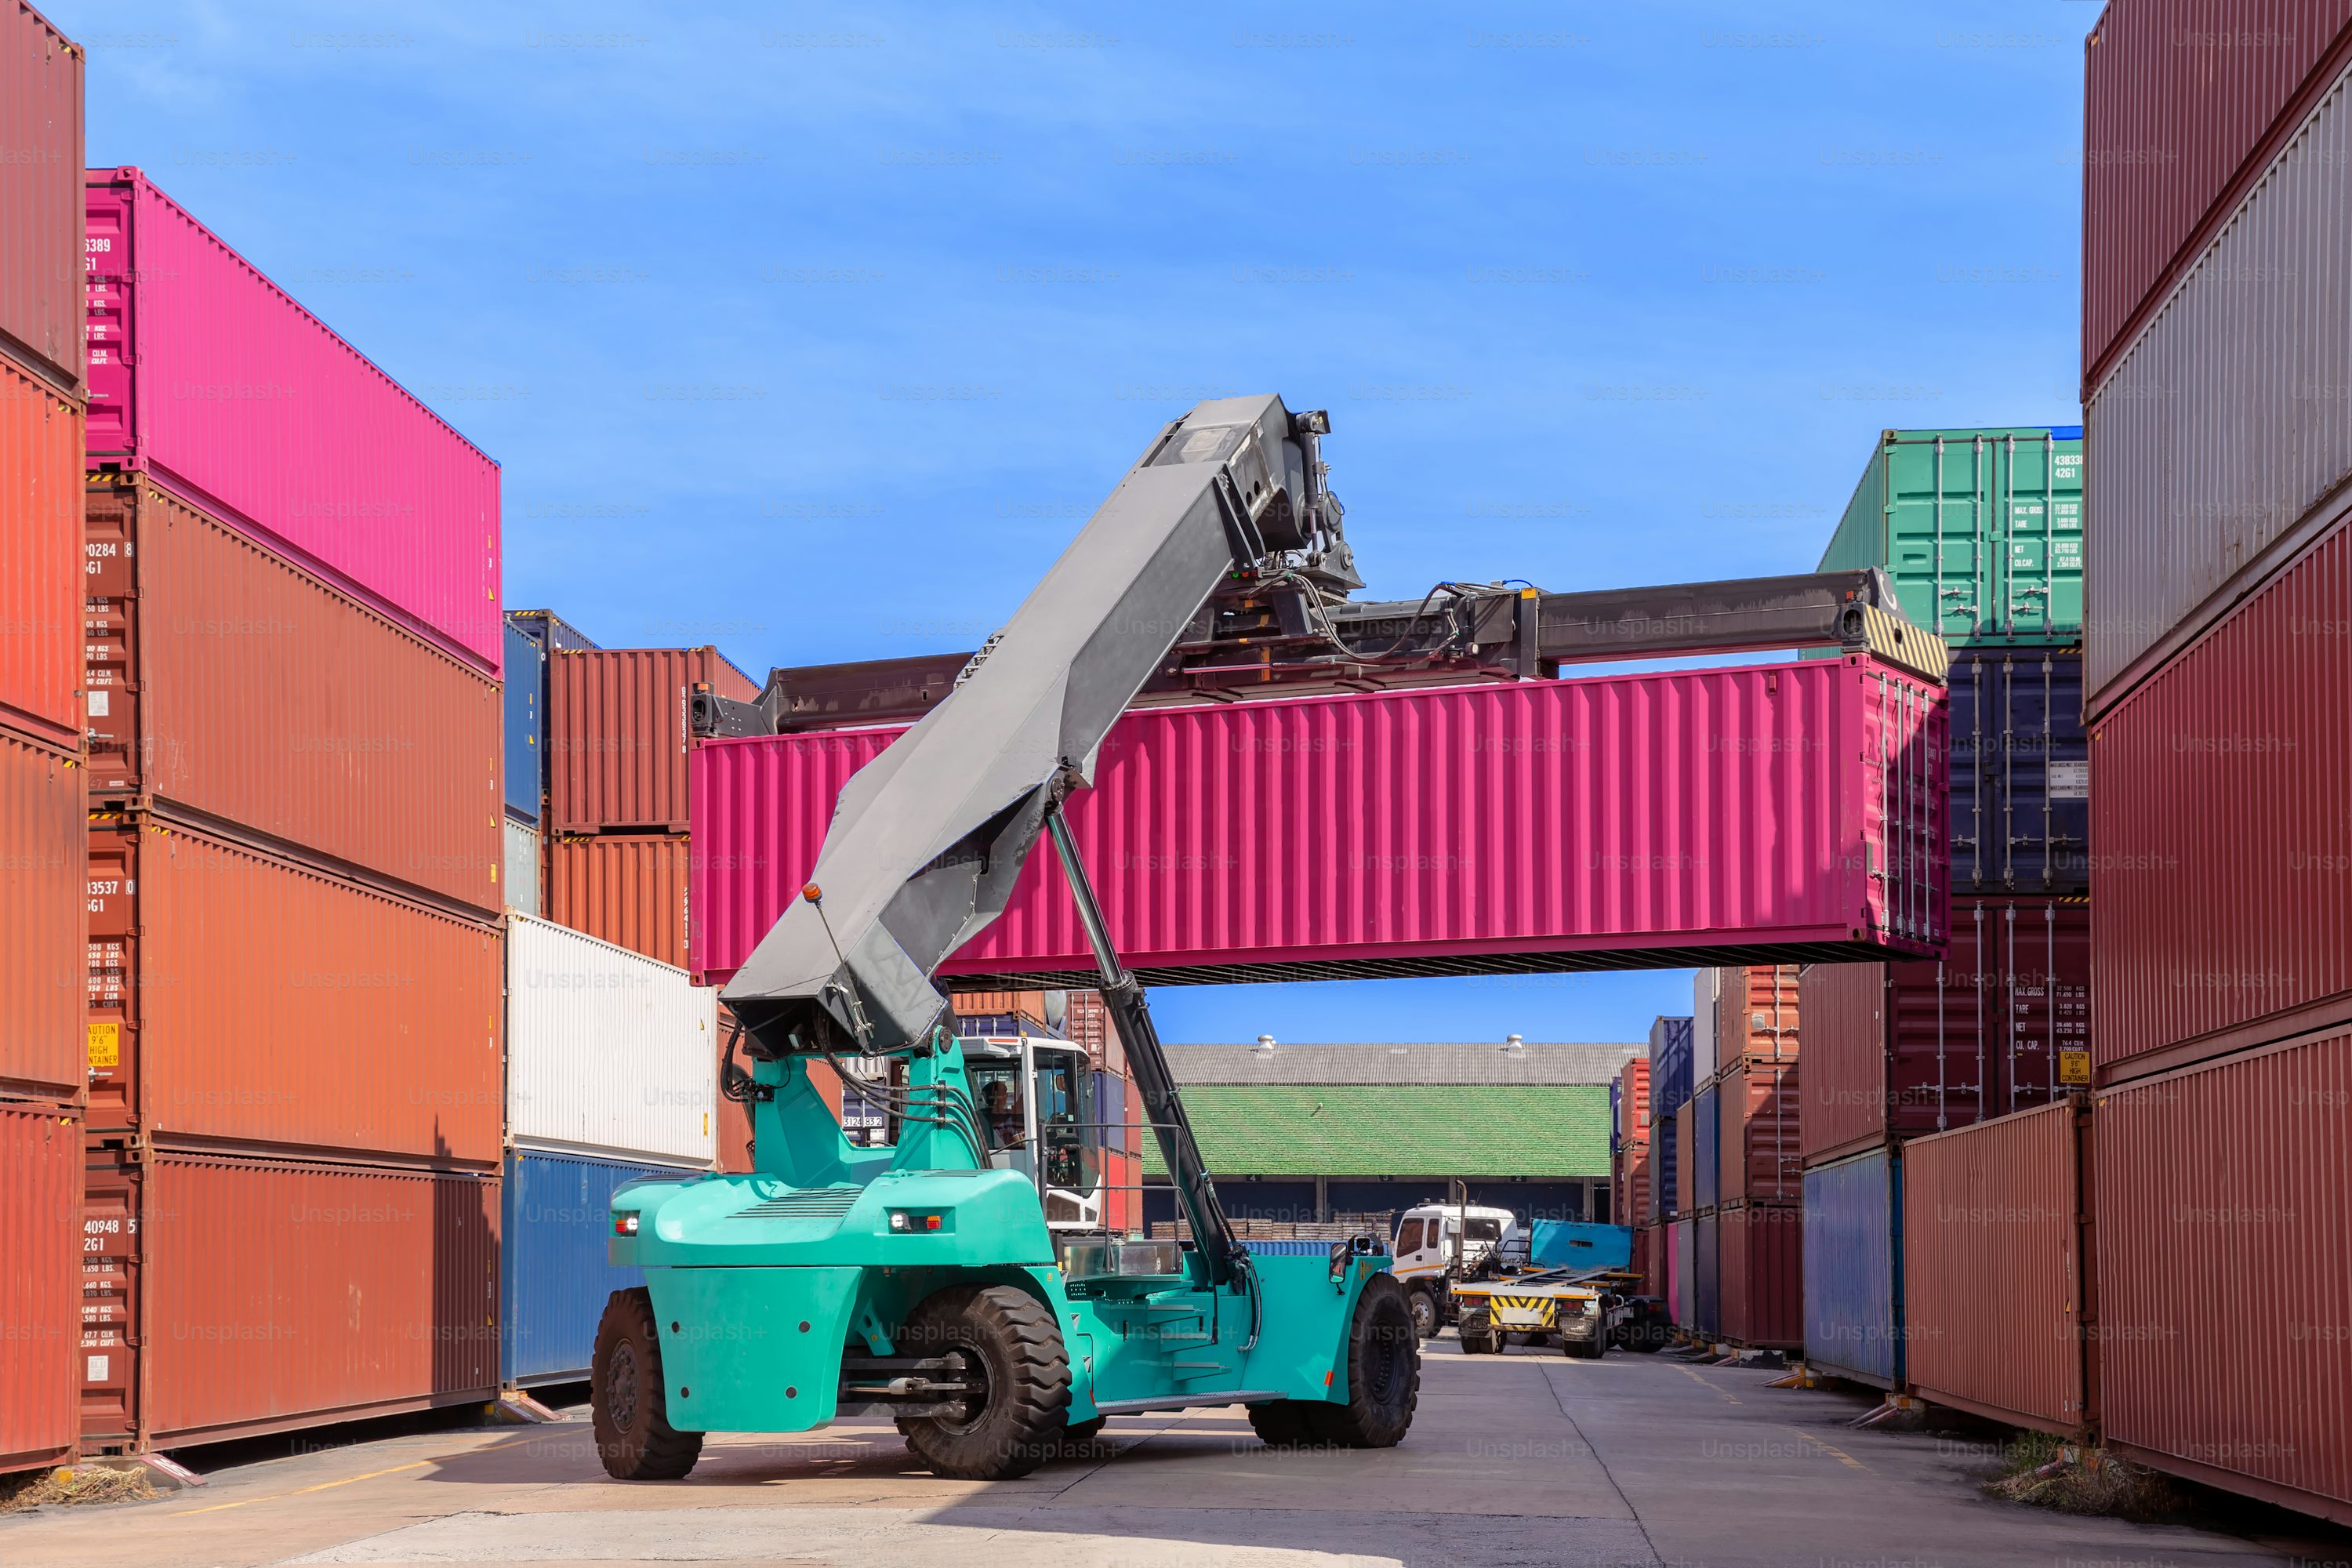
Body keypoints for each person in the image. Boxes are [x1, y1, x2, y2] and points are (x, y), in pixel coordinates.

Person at [983, 1080, 1025, 1149]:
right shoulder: (1008, 1119)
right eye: (1005, 1094)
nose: (1006, 1097)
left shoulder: (977, 1115)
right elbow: (1020, 1144)